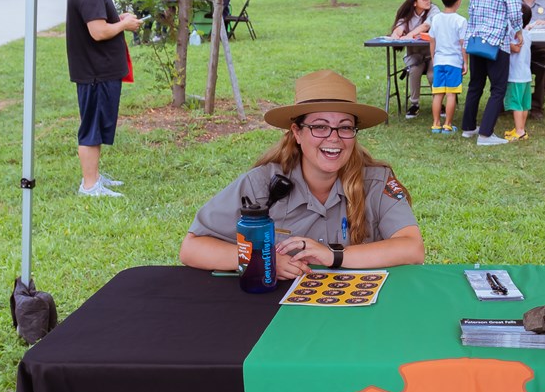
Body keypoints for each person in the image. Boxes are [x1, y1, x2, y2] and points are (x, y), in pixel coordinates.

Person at [179, 70, 425, 277]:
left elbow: (413, 248)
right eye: (319, 126)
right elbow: (192, 248)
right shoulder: (261, 185)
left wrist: (333, 255)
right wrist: (261, 261)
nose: (334, 138)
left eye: (345, 127)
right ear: (297, 133)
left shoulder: (375, 181)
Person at [65, 0, 142, 198]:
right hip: (94, 71)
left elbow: (98, 20)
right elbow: (97, 32)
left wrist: (116, 17)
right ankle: (89, 186)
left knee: (97, 126)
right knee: (92, 128)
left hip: (98, 69)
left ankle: (94, 177)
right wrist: (124, 24)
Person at [461, 0, 525, 146]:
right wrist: (518, 31)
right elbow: (516, 12)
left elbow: (471, 10)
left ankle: (468, 127)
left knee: (475, 85)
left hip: (476, 40)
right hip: (497, 42)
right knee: (498, 88)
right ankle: (486, 134)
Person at [390, 0, 439, 119]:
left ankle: (438, 102)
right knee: (414, 70)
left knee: (432, 75)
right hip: (415, 56)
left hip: (432, 55)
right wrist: (396, 34)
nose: (427, 0)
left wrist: (410, 34)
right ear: (414, 2)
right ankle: (414, 104)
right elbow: (400, 26)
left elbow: (426, 26)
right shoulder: (407, 14)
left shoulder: (434, 10)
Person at [427, 0, 468, 134]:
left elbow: (432, 40)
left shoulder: (436, 18)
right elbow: (463, 44)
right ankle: (448, 124)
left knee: (437, 94)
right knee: (451, 94)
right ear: (459, 1)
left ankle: (436, 124)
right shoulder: (461, 21)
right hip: (454, 62)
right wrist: (466, 62)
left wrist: (433, 58)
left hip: (439, 61)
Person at [503, 4, 533, 141]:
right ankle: (521, 128)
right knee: (524, 104)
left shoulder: (514, 36)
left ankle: (519, 131)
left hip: (515, 76)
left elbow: (516, 49)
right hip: (526, 76)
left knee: (516, 104)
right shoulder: (528, 34)